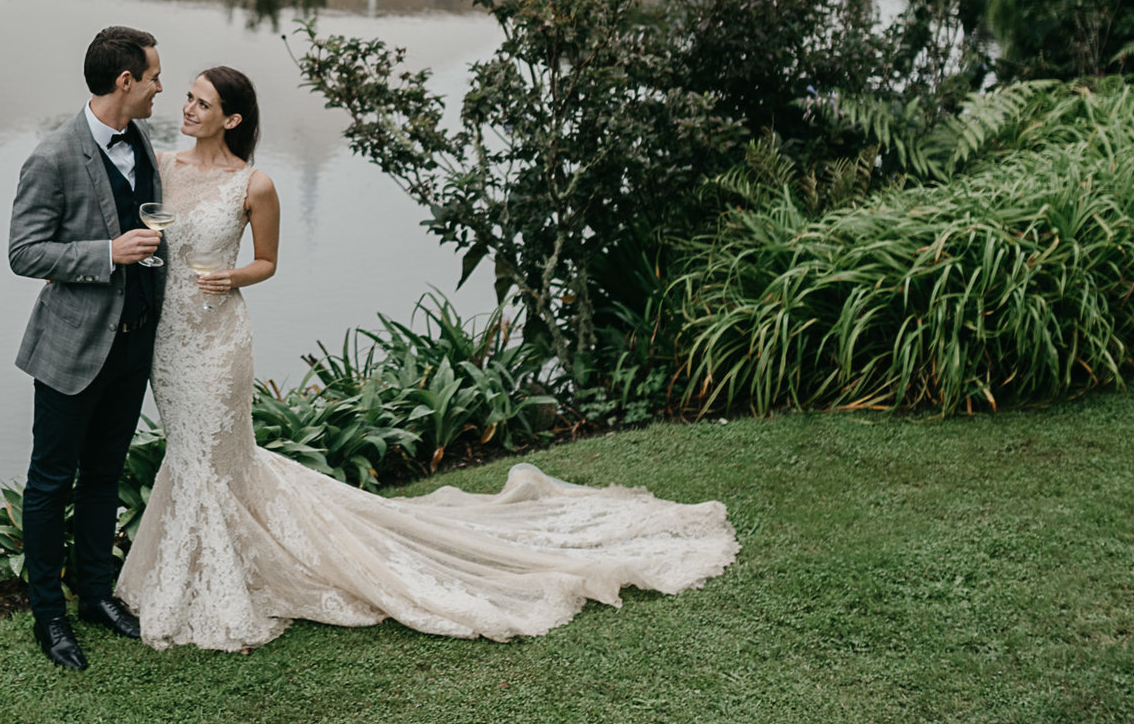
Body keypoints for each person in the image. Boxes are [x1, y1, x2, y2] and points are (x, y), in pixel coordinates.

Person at [109, 67, 737, 653]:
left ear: (234, 120)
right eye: (187, 98)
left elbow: (268, 263)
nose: (187, 109)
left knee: (214, 454)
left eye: (201, 103)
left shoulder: (256, 184)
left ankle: (213, 586)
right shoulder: (160, 166)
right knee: (191, 452)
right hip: (169, 339)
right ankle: (191, 570)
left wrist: (232, 276)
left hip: (219, 340)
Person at [7, 26, 169, 671]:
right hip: (73, 349)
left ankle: (96, 594)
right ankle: (49, 616)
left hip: (133, 343)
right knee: (50, 482)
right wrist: (107, 252)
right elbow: (23, 252)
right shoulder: (52, 156)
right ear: (124, 82)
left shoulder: (142, 140)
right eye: (154, 76)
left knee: (104, 474)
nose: (161, 87)